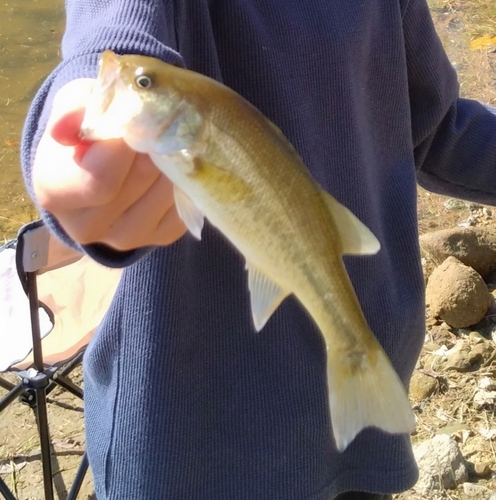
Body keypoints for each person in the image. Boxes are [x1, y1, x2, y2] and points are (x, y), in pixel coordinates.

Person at [21, 0, 496, 498]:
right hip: (192, 438)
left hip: (364, 397)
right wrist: (84, 137)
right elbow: (114, 33)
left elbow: (438, 127)